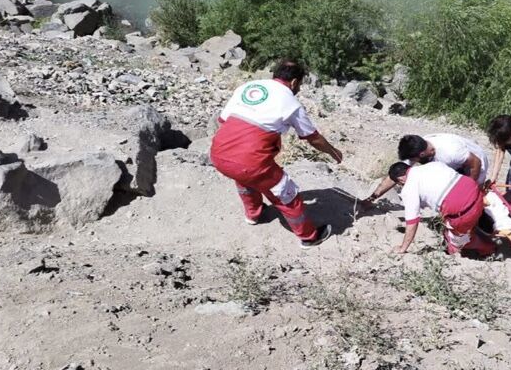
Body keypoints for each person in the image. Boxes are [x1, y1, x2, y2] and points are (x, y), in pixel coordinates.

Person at [210, 61, 341, 247]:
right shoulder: (291, 101)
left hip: (219, 151)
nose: (299, 89)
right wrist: (334, 152)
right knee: (286, 194)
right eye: (300, 85)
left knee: (245, 179)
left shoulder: (248, 87)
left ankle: (254, 215)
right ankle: (309, 237)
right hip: (251, 160)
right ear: (295, 82)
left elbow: (222, 119)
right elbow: (313, 137)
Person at [388, 161, 495, 257]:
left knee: (454, 244)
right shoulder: (433, 164)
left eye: (399, 183)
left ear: (400, 179)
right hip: (477, 193)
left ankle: (486, 248)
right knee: (456, 220)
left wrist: (403, 248)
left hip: (463, 211)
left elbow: (412, 222)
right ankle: (474, 229)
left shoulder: (408, 188)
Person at [361, 133, 489, 206]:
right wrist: (372, 198)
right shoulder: (417, 148)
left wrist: (468, 187)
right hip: (453, 167)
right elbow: (395, 175)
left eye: (414, 160)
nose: (412, 163)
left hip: (475, 165)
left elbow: (475, 163)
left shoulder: (450, 151)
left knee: (469, 199)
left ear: (421, 155)